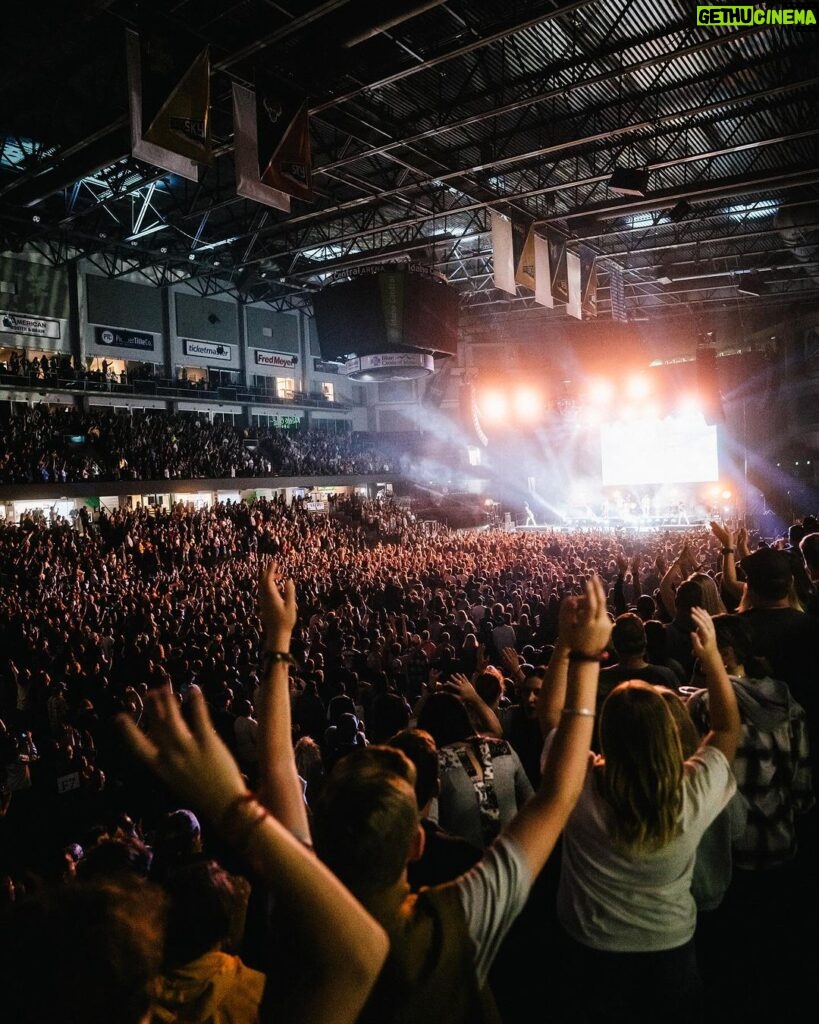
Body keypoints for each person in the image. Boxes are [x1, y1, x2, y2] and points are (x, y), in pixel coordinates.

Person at [308, 577, 610, 1024]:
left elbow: (277, 781)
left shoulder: (306, 938)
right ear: (417, 841)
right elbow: (556, 796)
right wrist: (582, 655)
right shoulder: (456, 910)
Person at [118, 562, 390, 1024]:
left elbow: (280, 767)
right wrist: (279, 639)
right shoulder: (270, 999)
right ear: (228, 937)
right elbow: (363, 955)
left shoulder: (139, 1006)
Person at [538, 603, 741, 1024]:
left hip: (587, 945)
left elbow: (552, 717)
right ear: (670, 735)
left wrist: (568, 645)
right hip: (670, 948)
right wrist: (712, 659)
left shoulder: (580, 786)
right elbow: (726, 729)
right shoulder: (691, 792)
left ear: (606, 734)